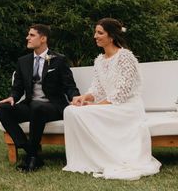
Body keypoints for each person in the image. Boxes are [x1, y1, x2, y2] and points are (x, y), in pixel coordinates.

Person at [63, 18, 161, 180]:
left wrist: (94, 106)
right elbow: (97, 89)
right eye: (95, 32)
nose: (95, 36)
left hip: (127, 108)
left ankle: (105, 157)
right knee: (71, 110)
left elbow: (123, 92)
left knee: (80, 112)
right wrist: (84, 97)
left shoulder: (125, 57)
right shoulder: (99, 60)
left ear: (112, 36)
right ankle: (88, 158)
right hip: (109, 105)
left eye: (100, 33)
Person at [0, 24, 79, 172]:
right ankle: (30, 150)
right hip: (31, 105)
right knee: (1, 108)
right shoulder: (23, 61)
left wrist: (76, 98)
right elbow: (18, 86)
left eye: (31, 35)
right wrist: (12, 97)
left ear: (43, 38)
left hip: (53, 107)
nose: (27, 38)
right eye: (28, 34)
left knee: (37, 107)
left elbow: (69, 85)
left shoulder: (58, 60)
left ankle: (32, 158)